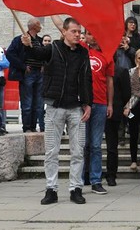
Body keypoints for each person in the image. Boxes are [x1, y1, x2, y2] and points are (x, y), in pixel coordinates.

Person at [22, 17, 92, 205]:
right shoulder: (53, 48)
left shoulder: (83, 53)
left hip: (76, 108)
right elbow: (36, 54)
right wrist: (28, 44)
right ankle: (51, 189)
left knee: (78, 151)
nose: (77, 35)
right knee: (51, 152)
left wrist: (88, 103)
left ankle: (76, 189)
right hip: (54, 107)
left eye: (79, 32)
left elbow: (87, 78)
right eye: (74, 31)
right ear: (64, 32)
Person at [84, 30, 114, 195]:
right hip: (83, 104)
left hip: (100, 103)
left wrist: (110, 104)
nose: (93, 36)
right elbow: (63, 29)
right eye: (89, 33)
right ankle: (80, 178)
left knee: (96, 144)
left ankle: (96, 180)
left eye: (95, 33)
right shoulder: (82, 50)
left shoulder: (107, 55)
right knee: (82, 143)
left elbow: (110, 82)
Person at [6, 18, 45, 133]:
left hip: (39, 73)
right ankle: (27, 127)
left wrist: (43, 64)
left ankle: (33, 126)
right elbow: (10, 54)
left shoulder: (40, 40)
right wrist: (23, 66)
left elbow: (43, 54)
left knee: (38, 103)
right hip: (28, 74)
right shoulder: (20, 39)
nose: (41, 26)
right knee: (27, 102)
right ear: (33, 26)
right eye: (38, 24)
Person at [105, 35, 133, 186]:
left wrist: (122, 107)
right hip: (98, 108)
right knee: (91, 145)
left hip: (114, 111)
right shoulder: (98, 69)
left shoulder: (121, 71)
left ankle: (111, 174)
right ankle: (89, 174)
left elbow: (127, 93)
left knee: (112, 145)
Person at [124, 49, 140, 172]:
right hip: (133, 107)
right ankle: (133, 160)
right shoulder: (131, 72)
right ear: (135, 59)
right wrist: (127, 107)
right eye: (139, 58)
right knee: (133, 133)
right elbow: (127, 91)